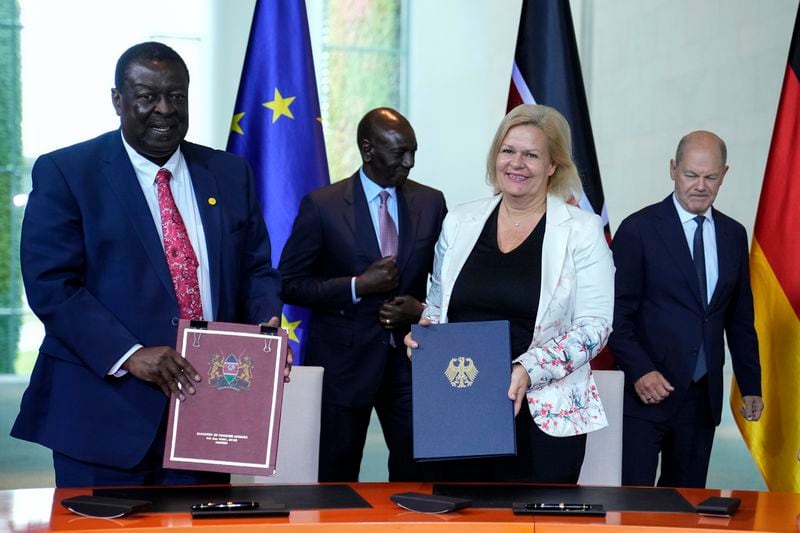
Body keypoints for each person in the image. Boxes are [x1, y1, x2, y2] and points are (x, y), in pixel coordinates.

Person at [11, 42, 288, 487]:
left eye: (177, 96)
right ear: (118, 100)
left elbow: (256, 268)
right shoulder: (68, 172)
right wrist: (130, 354)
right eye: (147, 96)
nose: (164, 109)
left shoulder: (230, 174)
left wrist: (267, 327)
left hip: (209, 412)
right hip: (104, 412)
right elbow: (52, 286)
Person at [405, 104, 614, 482]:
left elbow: (595, 328)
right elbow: (438, 305)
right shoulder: (460, 221)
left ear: (553, 165)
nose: (516, 163)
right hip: (461, 407)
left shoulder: (581, 231)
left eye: (531, 154)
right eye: (508, 151)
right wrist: (424, 336)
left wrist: (527, 370)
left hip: (544, 417)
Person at [279, 107, 446, 482]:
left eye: (414, 151)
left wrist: (420, 309)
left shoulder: (431, 203)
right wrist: (357, 286)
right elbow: (290, 282)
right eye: (400, 152)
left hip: (411, 362)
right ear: (368, 149)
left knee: (420, 475)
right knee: (336, 478)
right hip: (344, 364)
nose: (410, 162)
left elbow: (448, 282)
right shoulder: (323, 206)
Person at [609, 130, 763, 488]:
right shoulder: (638, 229)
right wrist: (641, 371)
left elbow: (740, 318)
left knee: (686, 508)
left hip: (701, 401)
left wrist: (751, 384)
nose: (701, 186)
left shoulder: (733, 235)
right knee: (636, 509)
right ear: (673, 169)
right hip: (644, 396)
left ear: (725, 174)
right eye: (692, 175)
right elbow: (615, 315)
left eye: (711, 177)